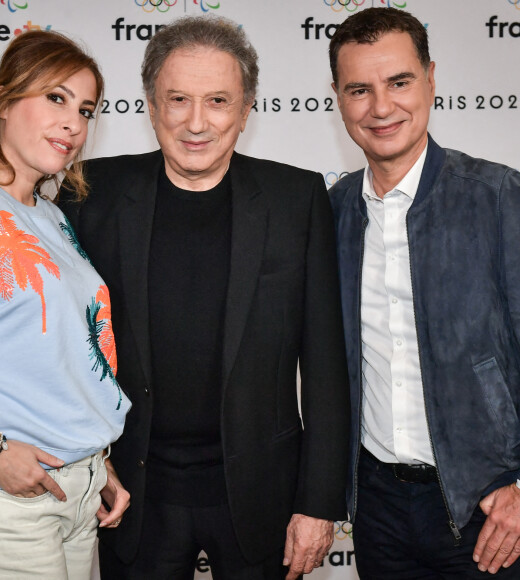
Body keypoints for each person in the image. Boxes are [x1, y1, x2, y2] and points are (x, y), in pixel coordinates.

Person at [59, 15, 350, 580]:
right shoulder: (91, 193)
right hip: (132, 493)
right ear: (149, 105)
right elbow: (61, 346)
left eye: (218, 100)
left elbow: (325, 368)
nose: (197, 122)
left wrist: (318, 503)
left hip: (260, 493)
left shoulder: (296, 198)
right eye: (178, 99)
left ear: (245, 111)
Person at [328, 7, 520, 579]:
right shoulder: (334, 210)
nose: (381, 107)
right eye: (359, 90)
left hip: (488, 507)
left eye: (399, 82)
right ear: (339, 99)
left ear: (432, 79)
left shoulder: (497, 197)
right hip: (377, 511)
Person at [0, 30, 131, 579]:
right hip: (19, 500)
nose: (74, 123)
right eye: (55, 97)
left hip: (80, 487)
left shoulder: (51, 215)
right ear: (6, 100)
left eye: (85, 109)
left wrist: (97, 460)